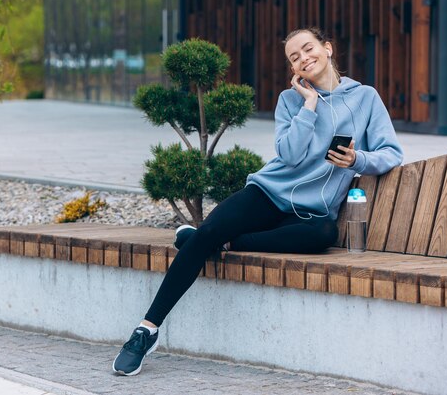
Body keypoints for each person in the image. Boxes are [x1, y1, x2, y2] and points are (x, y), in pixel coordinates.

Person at [112, 27, 404, 376]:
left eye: (308, 49)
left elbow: (391, 153)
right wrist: (309, 106)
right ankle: (147, 329)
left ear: (327, 48)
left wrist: (357, 161)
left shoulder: (365, 97)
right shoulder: (290, 100)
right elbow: (290, 156)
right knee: (209, 232)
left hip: (310, 212)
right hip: (267, 194)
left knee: (324, 234)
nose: (303, 58)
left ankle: (214, 242)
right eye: (294, 57)